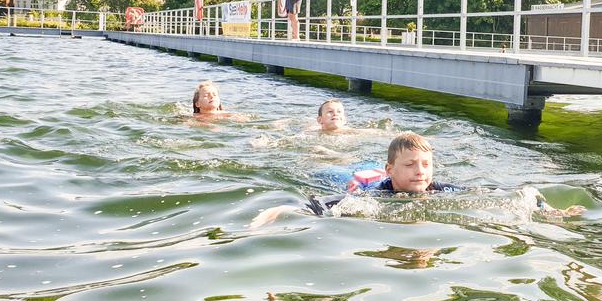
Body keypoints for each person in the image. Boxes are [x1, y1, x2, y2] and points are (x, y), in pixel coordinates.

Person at [250, 132, 583, 227]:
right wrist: (278, 210)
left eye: (426, 164)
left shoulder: (440, 190)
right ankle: (320, 152)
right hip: (355, 177)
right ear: (392, 170)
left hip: (375, 167)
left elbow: (515, 193)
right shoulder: (376, 194)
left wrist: (548, 209)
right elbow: (320, 204)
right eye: (411, 165)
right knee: (326, 166)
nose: (420, 171)